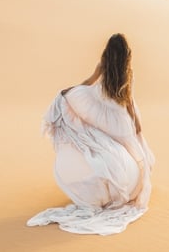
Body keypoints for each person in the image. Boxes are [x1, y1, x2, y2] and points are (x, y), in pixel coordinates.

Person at [27, 33, 154, 235]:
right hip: (120, 118)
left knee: (106, 147)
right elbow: (129, 99)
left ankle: (111, 187)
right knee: (131, 152)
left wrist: (68, 92)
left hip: (105, 115)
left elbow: (88, 83)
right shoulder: (127, 71)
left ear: (108, 50)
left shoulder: (103, 64)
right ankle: (127, 187)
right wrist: (135, 122)